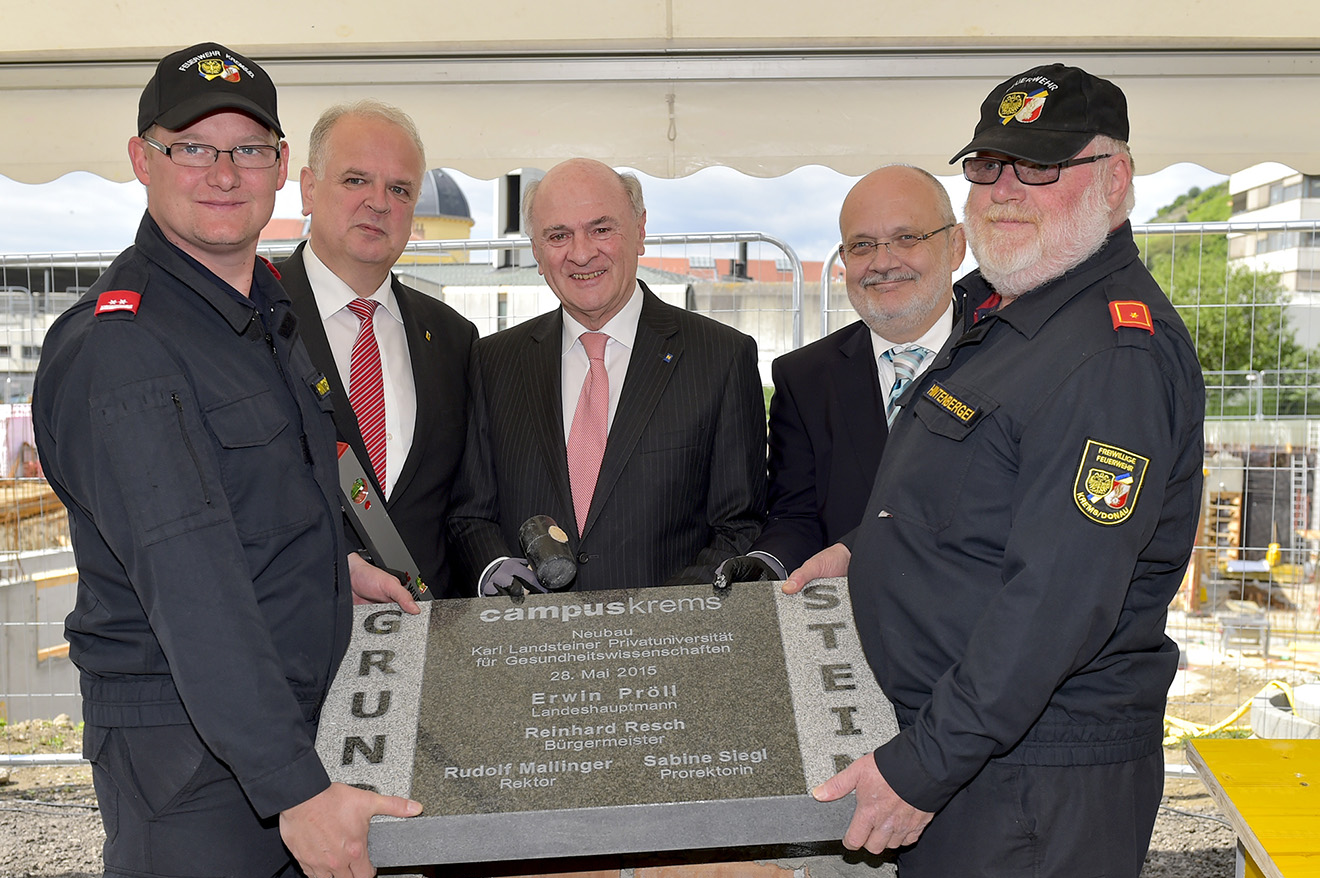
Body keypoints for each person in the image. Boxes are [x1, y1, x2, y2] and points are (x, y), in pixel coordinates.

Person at [800, 64, 1206, 878]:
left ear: (1115, 178)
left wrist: (918, 771)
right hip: (982, 763)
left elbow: (1058, 601)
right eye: (989, 167)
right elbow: (985, 506)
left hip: (1028, 787)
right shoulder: (1013, 313)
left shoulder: (1110, 350)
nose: (1005, 190)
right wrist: (866, 558)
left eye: (1041, 166)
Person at [32, 42, 421, 878]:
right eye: (191, 149)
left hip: (273, 748)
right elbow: (193, 589)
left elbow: (264, 506)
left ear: (282, 168)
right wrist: (296, 790)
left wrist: (340, 569)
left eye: (246, 150)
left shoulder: (257, 316)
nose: (222, 173)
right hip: (198, 776)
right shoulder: (124, 347)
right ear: (141, 159)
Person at [448, 158, 766, 592]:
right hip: (530, 645)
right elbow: (470, 514)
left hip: (666, 645)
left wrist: (655, 620)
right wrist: (493, 568)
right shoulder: (492, 361)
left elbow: (738, 525)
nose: (581, 253)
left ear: (640, 230)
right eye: (558, 236)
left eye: (601, 229)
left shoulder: (722, 357)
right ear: (537, 253)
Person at [720, 165, 964, 583]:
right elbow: (796, 517)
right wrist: (767, 563)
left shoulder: (1011, 356)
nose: (883, 262)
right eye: (862, 244)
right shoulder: (805, 378)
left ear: (956, 246)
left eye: (907, 238)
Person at [276, 101, 478, 597]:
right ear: (307, 189)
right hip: (290, 644)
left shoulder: (455, 339)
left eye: (399, 189)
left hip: (430, 643)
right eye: (355, 180)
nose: (379, 202)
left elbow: (465, 506)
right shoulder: (248, 320)